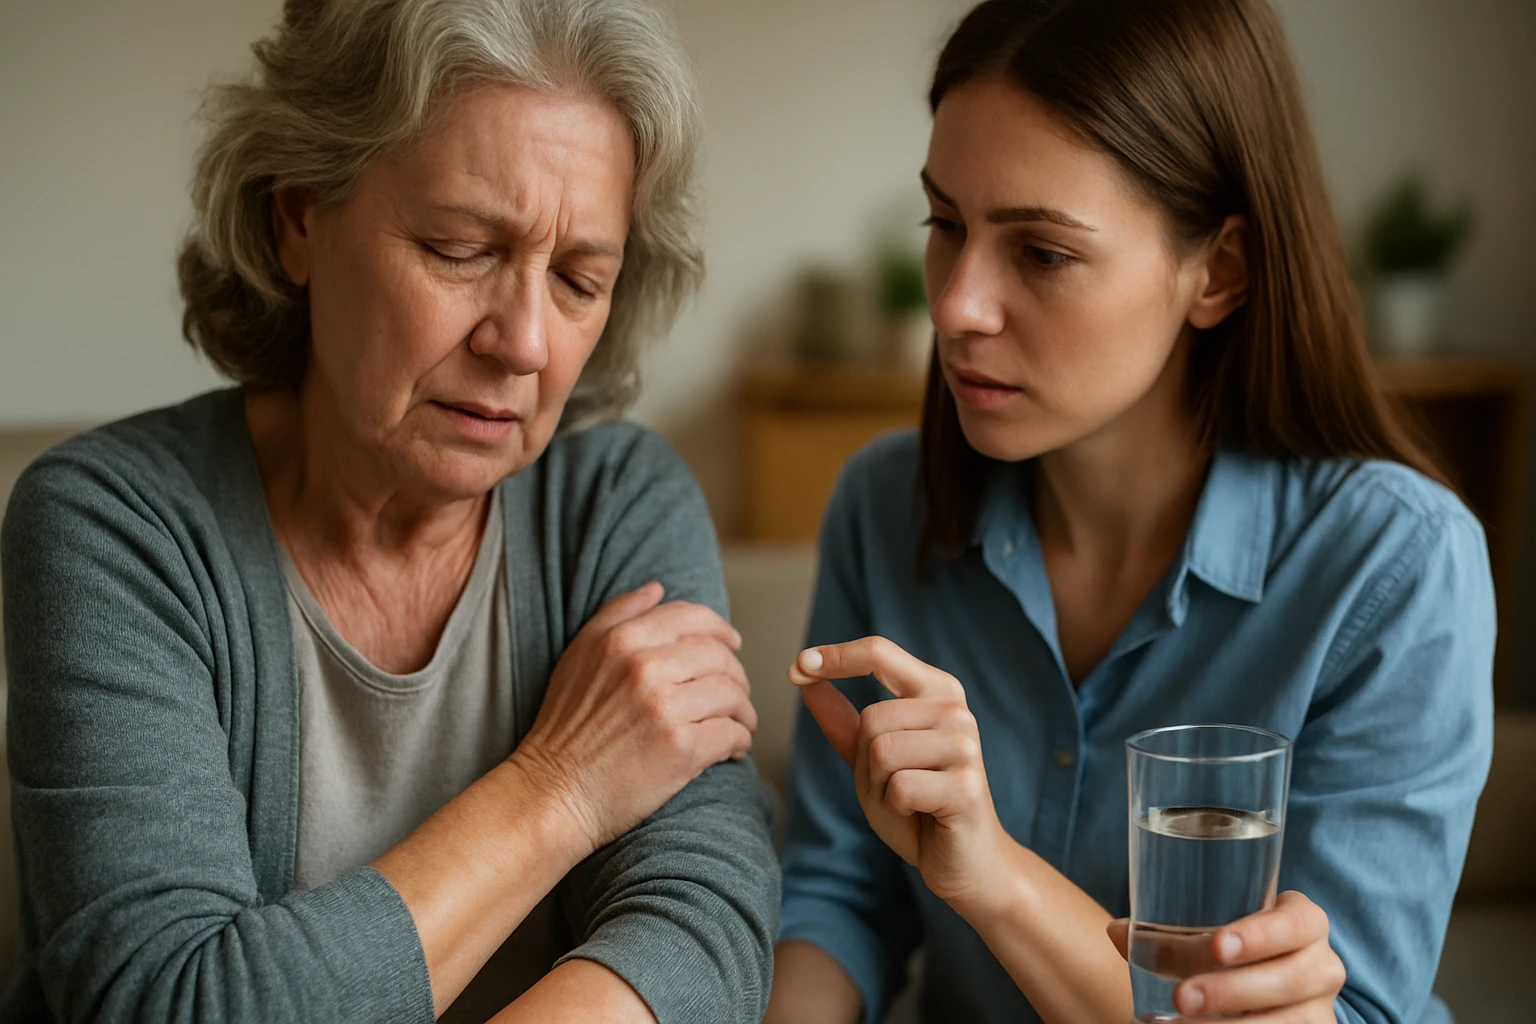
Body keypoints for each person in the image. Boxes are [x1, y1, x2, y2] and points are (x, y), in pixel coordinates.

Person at [0, 2, 777, 1022]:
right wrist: (563, 786)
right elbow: (174, 1003)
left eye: (581, 278)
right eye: (460, 248)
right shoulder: (113, 527)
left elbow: (707, 930)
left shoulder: (614, 503)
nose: (526, 342)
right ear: (299, 219)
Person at [765, 1, 1494, 1023]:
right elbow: (837, 898)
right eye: (945, 224)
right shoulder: (886, 507)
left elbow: (1346, 1010)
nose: (957, 305)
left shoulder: (1396, 566)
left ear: (1219, 271)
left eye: (1044, 254)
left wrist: (993, 872)